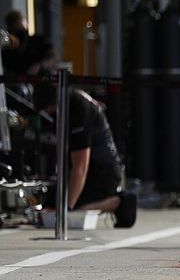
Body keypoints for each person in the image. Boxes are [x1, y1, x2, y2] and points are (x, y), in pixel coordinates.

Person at [34, 81, 136, 227]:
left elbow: (81, 166)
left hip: (102, 174)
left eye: (49, 110)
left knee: (70, 210)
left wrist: (67, 209)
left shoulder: (79, 110)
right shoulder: (66, 102)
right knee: (49, 205)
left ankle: (119, 203)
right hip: (84, 171)